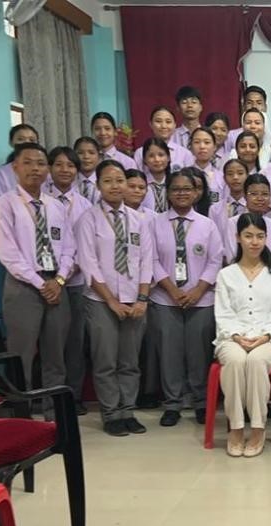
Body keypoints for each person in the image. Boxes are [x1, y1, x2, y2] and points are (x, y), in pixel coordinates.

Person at [0, 142, 76, 399]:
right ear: (15, 167)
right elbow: (8, 254)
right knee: (21, 355)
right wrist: (41, 284)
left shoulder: (56, 206)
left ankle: (53, 411)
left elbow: (69, 248)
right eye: (27, 163)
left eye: (40, 163)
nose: (35, 169)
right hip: (24, 287)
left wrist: (59, 280)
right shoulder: (3, 206)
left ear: (47, 169)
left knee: (56, 355)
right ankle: (22, 412)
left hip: (56, 286)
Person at [75, 159, 154, 436]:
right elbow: (88, 263)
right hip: (101, 301)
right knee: (106, 360)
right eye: (108, 181)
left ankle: (128, 411)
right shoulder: (88, 219)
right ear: (98, 185)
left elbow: (147, 260)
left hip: (135, 299)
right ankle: (111, 414)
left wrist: (142, 299)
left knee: (130, 361)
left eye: (120, 180)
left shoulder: (139, 220)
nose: (115, 186)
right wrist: (111, 301)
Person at [148, 167, 223, 427]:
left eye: (187, 189)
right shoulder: (155, 223)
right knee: (169, 353)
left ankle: (201, 402)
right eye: (176, 189)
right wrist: (172, 289)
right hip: (165, 298)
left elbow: (215, 260)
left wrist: (198, 290)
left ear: (195, 193)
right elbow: (151, 259)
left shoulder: (207, 225)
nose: (182, 193)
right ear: (168, 193)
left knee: (198, 353)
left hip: (201, 300)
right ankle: (172, 404)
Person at [214, 213, 271, 457]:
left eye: (260, 236)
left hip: (269, 338)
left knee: (257, 360)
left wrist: (266, 336)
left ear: (266, 238)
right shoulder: (226, 274)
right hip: (232, 338)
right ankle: (236, 429)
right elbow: (223, 313)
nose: (254, 242)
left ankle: (258, 428)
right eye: (248, 236)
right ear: (238, 238)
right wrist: (237, 337)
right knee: (235, 361)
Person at [47, 145, 93, 415]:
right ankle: (52, 398)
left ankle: (73, 396)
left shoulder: (85, 205)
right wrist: (56, 277)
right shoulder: (42, 201)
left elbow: (85, 244)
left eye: (71, 165)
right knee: (53, 342)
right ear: (50, 168)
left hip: (76, 281)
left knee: (76, 341)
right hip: (47, 282)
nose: (65, 170)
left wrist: (70, 270)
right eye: (59, 164)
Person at [220, 174, 271, 260]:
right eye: (254, 194)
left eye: (265, 194)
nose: (260, 198)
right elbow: (231, 256)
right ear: (244, 196)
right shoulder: (233, 223)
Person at [134, 106, 193, 173]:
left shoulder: (184, 153)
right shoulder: (140, 153)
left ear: (175, 125)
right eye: (158, 121)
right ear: (151, 124)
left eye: (168, 122)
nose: (163, 126)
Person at [0, 123, 38, 201]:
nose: (27, 143)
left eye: (32, 140)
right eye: (21, 139)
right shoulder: (1, 174)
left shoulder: (45, 171)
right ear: (11, 142)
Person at [186, 127, 225, 206]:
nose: (202, 146)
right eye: (197, 142)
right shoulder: (184, 176)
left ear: (214, 147)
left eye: (207, 142)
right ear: (190, 147)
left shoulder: (222, 178)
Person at [225, 85, 268, 155]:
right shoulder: (231, 137)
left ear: (265, 107)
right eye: (249, 103)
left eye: (259, 103)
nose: (254, 106)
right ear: (243, 107)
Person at [211, 158, 249, 232]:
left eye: (240, 173)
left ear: (247, 176)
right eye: (230, 174)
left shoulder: (254, 207)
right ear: (224, 178)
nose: (235, 177)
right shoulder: (215, 209)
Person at [138, 138, 172, 213]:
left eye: (161, 155)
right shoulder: (140, 184)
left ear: (168, 157)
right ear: (144, 160)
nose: (157, 159)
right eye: (151, 156)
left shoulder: (174, 182)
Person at [169, 85, 203, 149]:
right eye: (184, 102)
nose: (189, 105)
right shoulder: (171, 136)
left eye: (194, 102)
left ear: (200, 107)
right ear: (178, 108)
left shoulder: (209, 135)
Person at [73, 136, 103, 205]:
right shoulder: (68, 180)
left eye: (91, 153)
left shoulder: (104, 180)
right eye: (80, 153)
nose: (86, 157)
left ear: (99, 157)